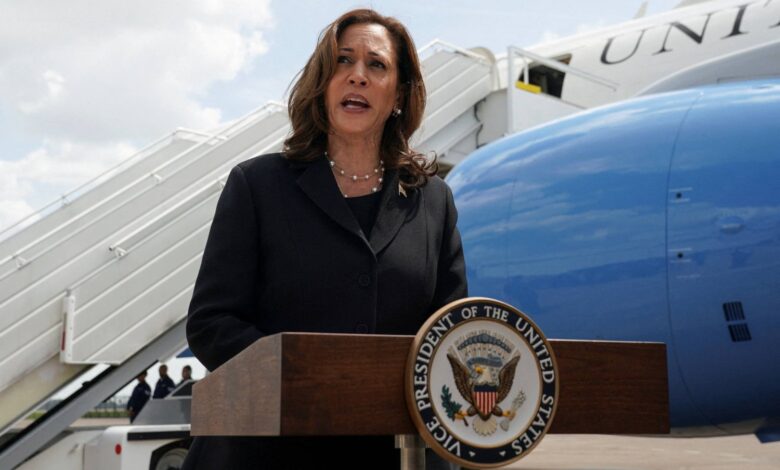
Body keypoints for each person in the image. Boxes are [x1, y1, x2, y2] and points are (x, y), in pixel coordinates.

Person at [182, 8, 466, 470]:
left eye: (377, 65)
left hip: (391, 454)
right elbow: (211, 323)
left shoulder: (434, 201)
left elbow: (449, 334)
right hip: (265, 452)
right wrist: (308, 377)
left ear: (398, 94)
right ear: (323, 83)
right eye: (342, 61)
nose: (357, 75)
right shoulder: (257, 185)